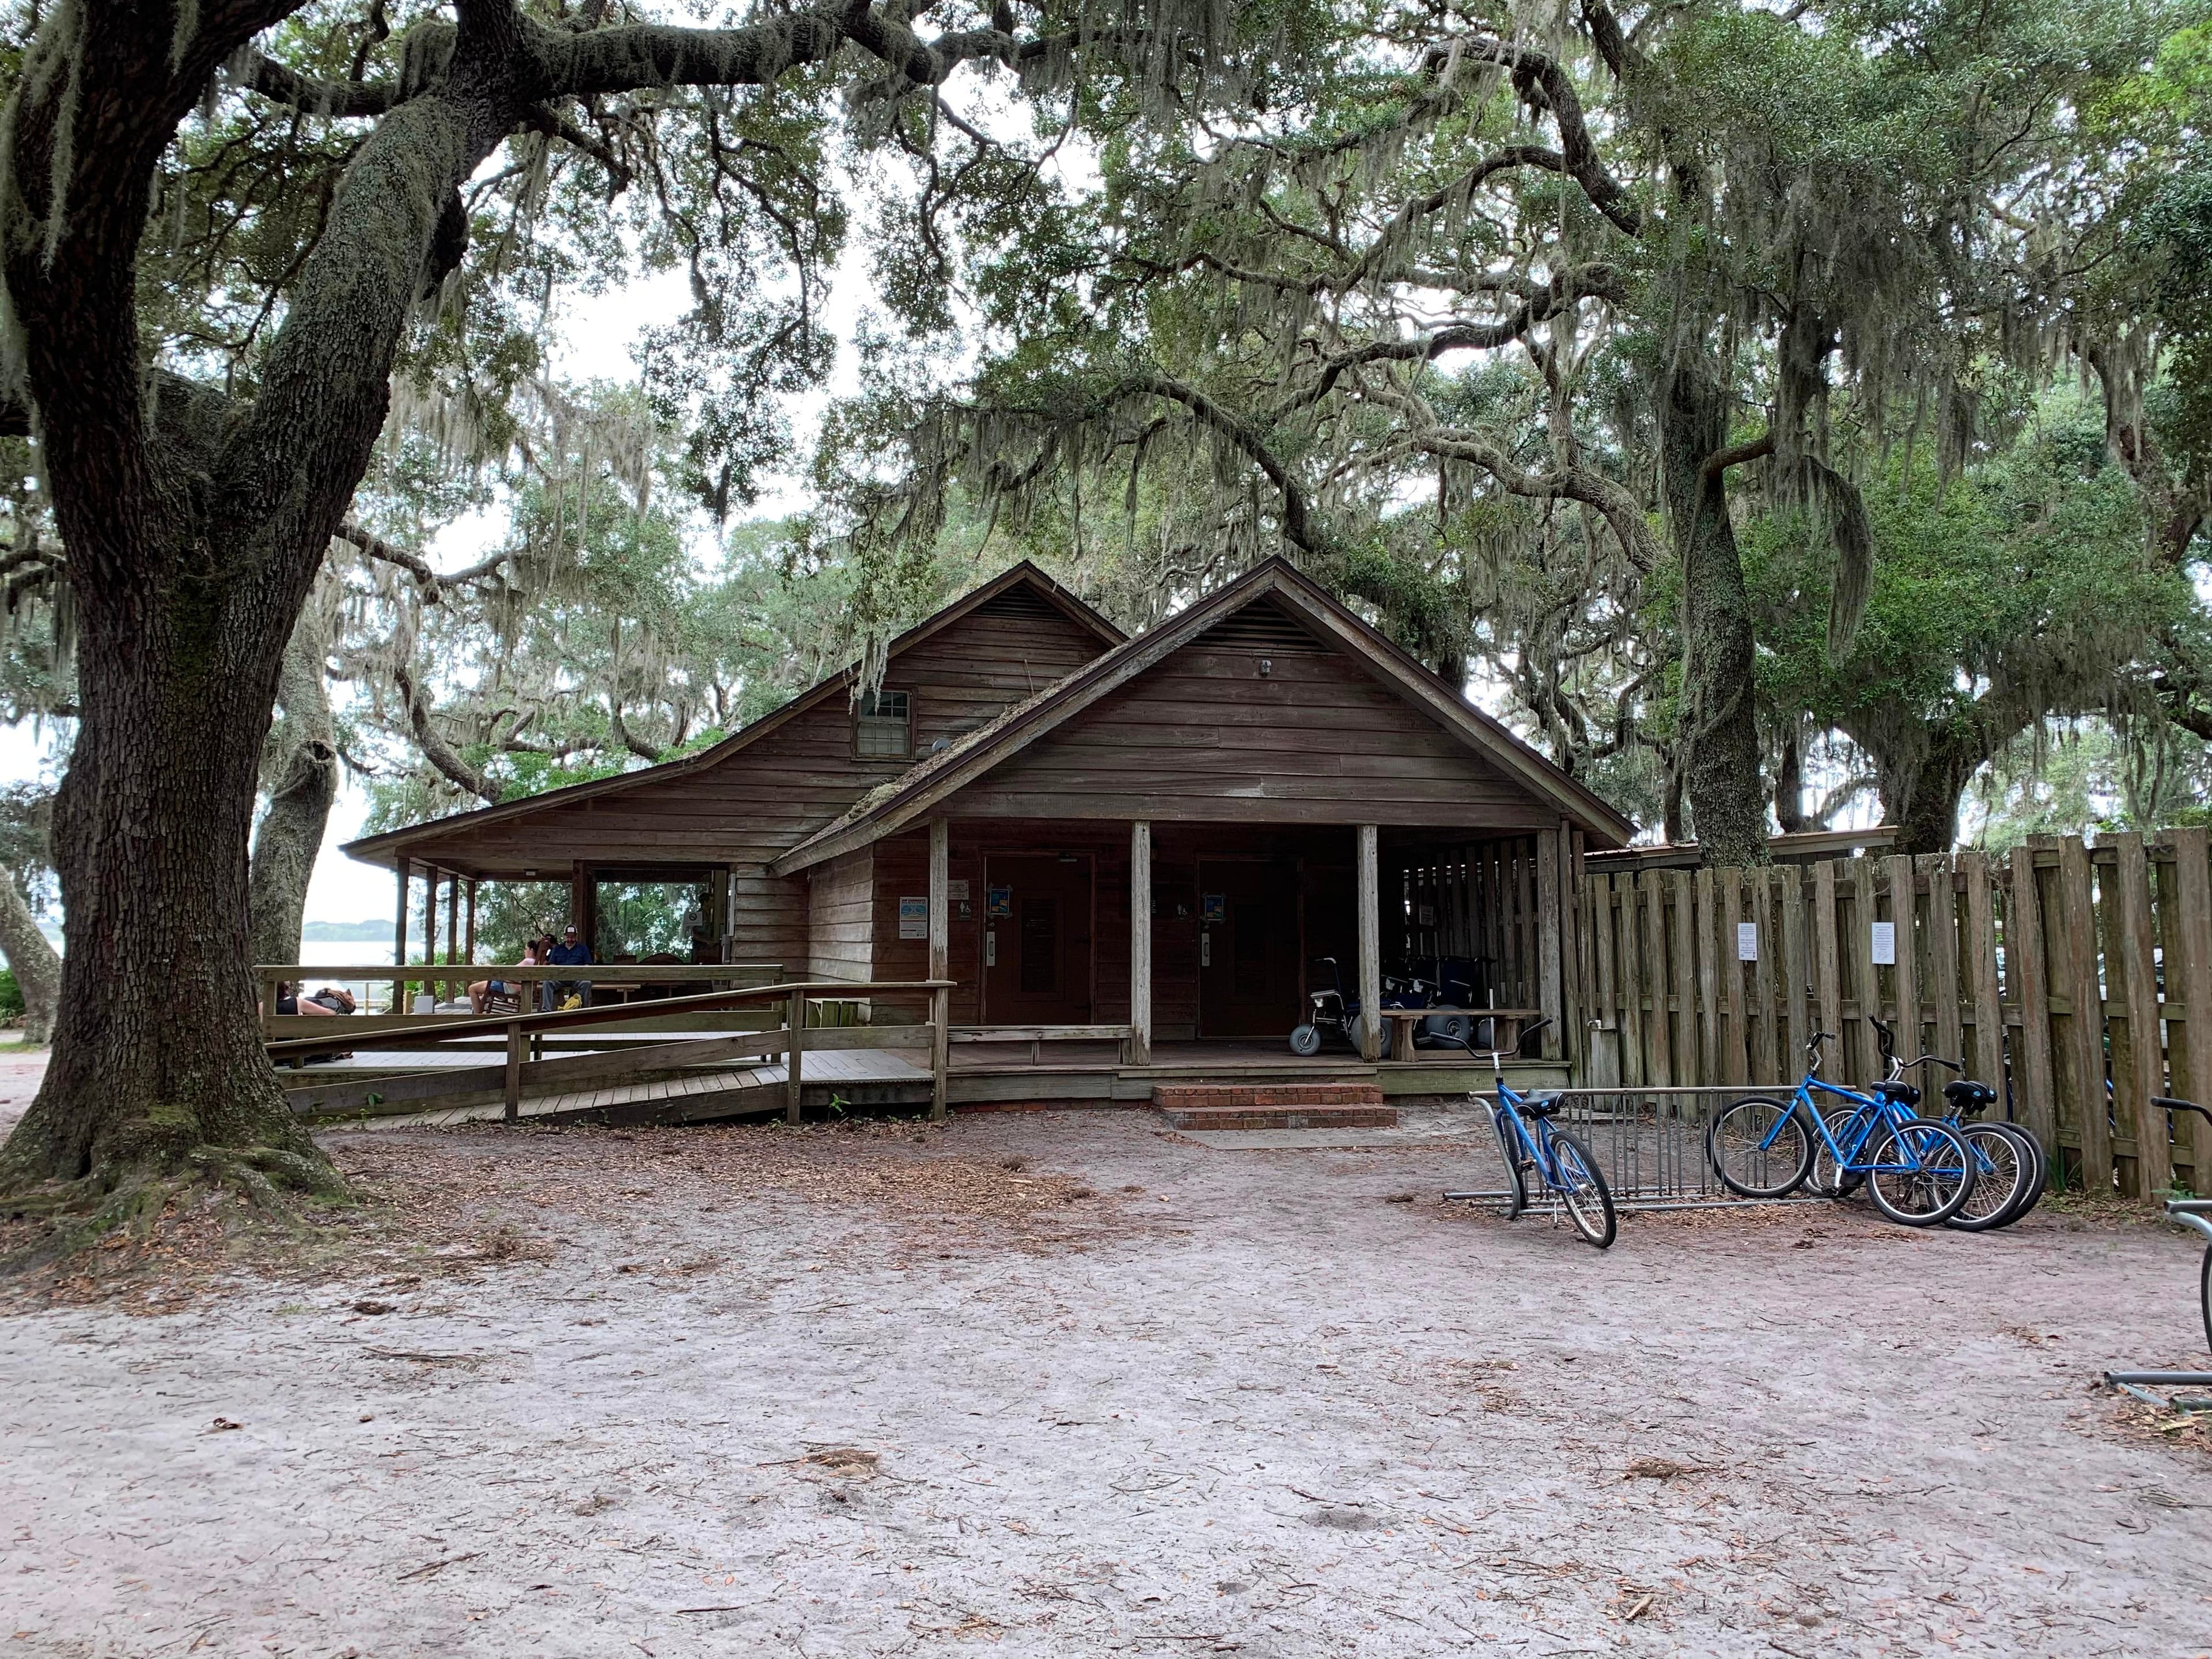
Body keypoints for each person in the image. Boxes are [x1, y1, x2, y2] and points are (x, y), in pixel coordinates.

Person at [470, 941, 540, 1015]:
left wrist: (495, 971)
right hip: (508, 984)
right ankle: (481, 1001)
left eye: (526, 949)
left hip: (506, 985)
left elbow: (509, 973)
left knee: (472, 989)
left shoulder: (528, 961)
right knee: (485, 975)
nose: (525, 951)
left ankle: (477, 1016)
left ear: (531, 950)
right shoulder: (534, 962)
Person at [545, 923, 594, 1010]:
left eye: (572, 937)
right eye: (568, 937)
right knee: (547, 983)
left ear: (576, 937)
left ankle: (583, 1010)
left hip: (577, 979)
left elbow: (588, 964)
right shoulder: (557, 949)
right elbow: (552, 964)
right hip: (560, 979)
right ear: (564, 937)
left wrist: (581, 972)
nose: (570, 939)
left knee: (587, 983)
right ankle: (546, 1010)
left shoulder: (583, 949)